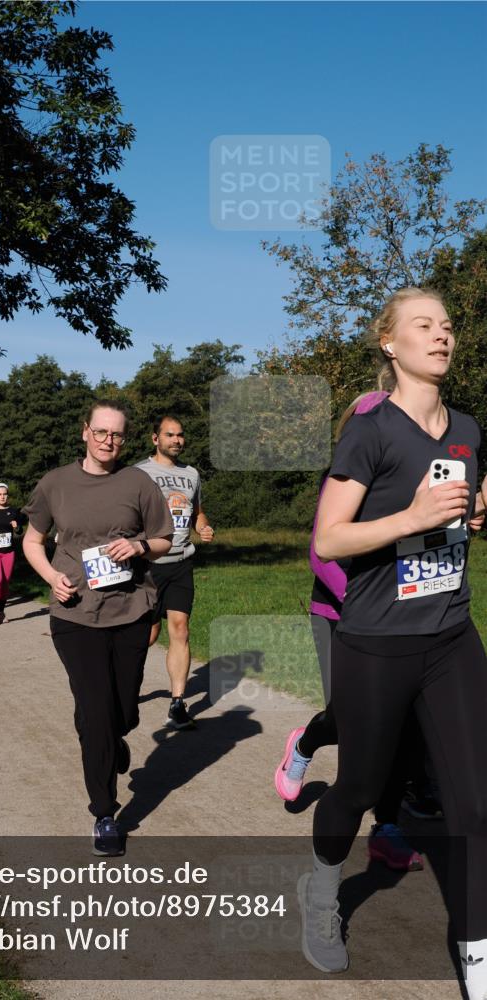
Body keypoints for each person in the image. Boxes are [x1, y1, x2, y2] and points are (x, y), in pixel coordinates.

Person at [296, 288, 487, 1000]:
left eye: (447, 324)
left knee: (474, 806)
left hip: (450, 634)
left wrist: (476, 509)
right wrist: (409, 516)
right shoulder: (371, 431)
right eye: (423, 325)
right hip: (376, 642)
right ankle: (321, 890)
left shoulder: (466, 426)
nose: (441, 334)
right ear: (390, 344)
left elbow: (464, 505)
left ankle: (476, 958)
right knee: (359, 788)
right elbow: (329, 538)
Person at [275, 390, 427, 872]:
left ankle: (386, 827)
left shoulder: (405, 479)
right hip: (339, 614)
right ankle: (304, 743)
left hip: (397, 620)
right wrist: (366, 602)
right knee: (349, 720)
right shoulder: (341, 477)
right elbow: (321, 556)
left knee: (400, 721)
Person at [22, 400, 173, 856]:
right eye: (102, 432)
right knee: (95, 709)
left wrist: (140, 545)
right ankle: (105, 813)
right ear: (85, 431)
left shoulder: (138, 483)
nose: (109, 441)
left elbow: (165, 540)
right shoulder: (56, 483)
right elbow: (33, 541)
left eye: (118, 435)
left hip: (130, 611)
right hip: (74, 615)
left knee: (123, 709)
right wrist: (52, 578)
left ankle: (113, 731)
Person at [137, 416, 214, 729]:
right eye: (170, 435)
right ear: (155, 438)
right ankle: (124, 682)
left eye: (180, 435)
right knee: (149, 633)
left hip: (181, 562)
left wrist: (203, 526)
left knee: (180, 628)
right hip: (147, 566)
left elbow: (196, 511)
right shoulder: (138, 473)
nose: (177, 440)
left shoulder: (191, 474)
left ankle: (177, 704)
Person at [0, 482, 27, 624]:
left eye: (4, 494)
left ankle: (1, 611)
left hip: (8, 551)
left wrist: (16, 526)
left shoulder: (14, 511)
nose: (2, 497)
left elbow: (20, 531)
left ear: (7, 495)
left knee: (5, 583)